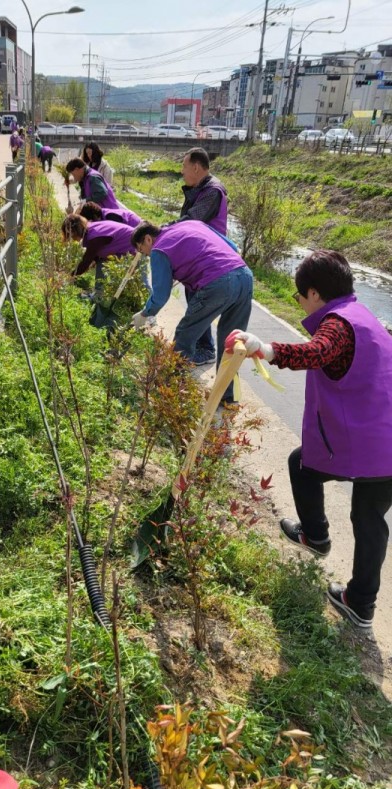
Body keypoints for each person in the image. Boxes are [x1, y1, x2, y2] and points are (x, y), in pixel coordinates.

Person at [227, 250, 392, 629]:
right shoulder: (367, 317)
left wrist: (265, 349)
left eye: (300, 296)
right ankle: (361, 605)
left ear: (315, 294)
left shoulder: (337, 325)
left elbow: (317, 352)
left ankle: (316, 536)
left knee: (301, 465)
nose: (300, 303)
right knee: (370, 521)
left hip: (361, 441)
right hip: (387, 442)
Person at [130, 220, 253, 404]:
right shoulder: (191, 223)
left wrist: (145, 313)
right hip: (244, 275)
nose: (146, 255)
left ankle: (171, 391)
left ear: (148, 239)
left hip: (217, 283)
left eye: (142, 250)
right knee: (231, 341)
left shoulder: (159, 249)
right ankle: (226, 397)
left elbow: (161, 295)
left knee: (184, 335)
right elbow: (234, 247)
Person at [176, 147, 231, 366]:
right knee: (193, 299)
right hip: (199, 256)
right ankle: (202, 345)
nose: (182, 171)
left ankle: (207, 349)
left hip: (210, 259)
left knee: (199, 302)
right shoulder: (200, 188)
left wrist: (165, 230)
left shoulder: (212, 191)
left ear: (196, 168)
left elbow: (191, 220)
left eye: (184, 166)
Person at [61, 214, 136, 294]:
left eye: (70, 236)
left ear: (74, 231)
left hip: (135, 246)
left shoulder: (95, 236)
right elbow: (95, 256)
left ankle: (102, 295)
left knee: (131, 277)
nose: (72, 239)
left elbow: (86, 261)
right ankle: (99, 293)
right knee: (102, 262)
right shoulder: (91, 229)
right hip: (127, 245)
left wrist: (70, 276)